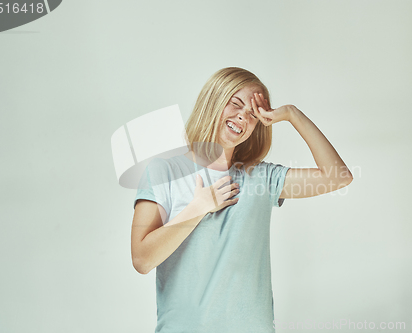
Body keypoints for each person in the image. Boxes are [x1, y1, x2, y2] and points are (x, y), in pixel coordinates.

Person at [131, 67, 353, 333]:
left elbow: (337, 177)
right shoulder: (163, 171)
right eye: (235, 103)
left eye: (253, 114)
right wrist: (199, 207)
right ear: (213, 101)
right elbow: (142, 260)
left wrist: (292, 114)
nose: (242, 116)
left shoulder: (261, 177)